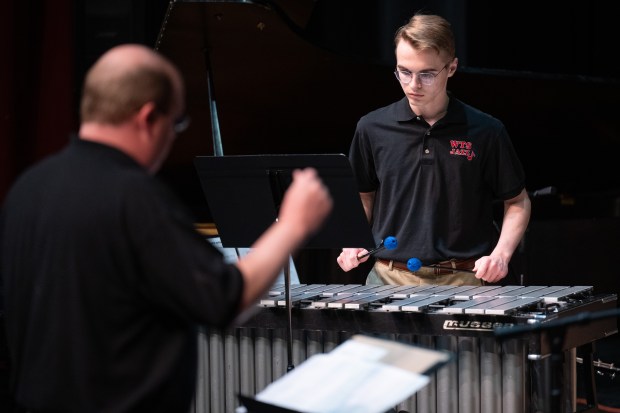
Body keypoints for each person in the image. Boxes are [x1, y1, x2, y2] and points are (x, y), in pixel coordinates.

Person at [0, 44, 332, 413]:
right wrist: (292, 225)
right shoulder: (132, 197)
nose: (173, 137)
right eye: (175, 124)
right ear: (147, 118)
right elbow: (224, 298)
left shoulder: (27, 189)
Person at [337, 12, 531, 286]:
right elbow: (363, 195)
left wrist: (501, 254)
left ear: (451, 68)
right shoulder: (371, 127)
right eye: (404, 72)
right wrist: (352, 240)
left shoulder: (485, 130)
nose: (413, 85)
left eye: (426, 74)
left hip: (463, 279)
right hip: (387, 278)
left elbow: (518, 201)